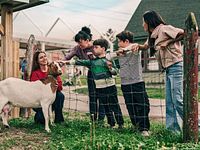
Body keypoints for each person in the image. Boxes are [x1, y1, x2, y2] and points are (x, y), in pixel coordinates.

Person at [132, 10, 184, 132]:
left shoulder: (165, 29)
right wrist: (137, 46)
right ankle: (173, 131)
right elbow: (146, 46)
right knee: (170, 103)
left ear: (149, 21)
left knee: (178, 100)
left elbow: (186, 33)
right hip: (168, 69)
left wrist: (168, 42)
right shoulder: (153, 35)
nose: (142, 25)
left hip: (176, 66)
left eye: (143, 22)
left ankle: (195, 125)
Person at [64, 39, 124, 128]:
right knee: (106, 107)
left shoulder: (108, 59)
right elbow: (78, 61)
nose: (94, 49)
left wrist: (110, 68)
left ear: (103, 48)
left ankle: (120, 124)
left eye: (96, 47)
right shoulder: (92, 62)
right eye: (93, 47)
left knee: (114, 105)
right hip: (99, 88)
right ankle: (111, 124)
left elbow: (115, 72)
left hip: (111, 87)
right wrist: (65, 62)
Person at [106, 31, 150, 136]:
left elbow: (136, 46)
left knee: (143, 105)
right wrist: (118, 53)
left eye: (119, 41)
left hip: (137, 82)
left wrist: (127, 49)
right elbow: (107, 57)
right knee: (131, 106)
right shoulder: (119, 53)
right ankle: (137, 126)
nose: (118, 44)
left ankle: (144, 128)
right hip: (125, 84)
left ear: (126, 41)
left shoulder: (135, 49)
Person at [63, 26, 106, 122]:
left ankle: (101, 119)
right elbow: (67, 57)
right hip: (91, 73)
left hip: (101, 72)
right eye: (78, 42)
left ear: (87, 40)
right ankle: (93, 119)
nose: (79, 44)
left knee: (102, 96)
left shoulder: (95, 46)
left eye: (80, 42)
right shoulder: (77, 48)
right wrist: (61, 61)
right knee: (93, 96)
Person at [30, 51, 64, 124]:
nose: (44, 58)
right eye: (41, 57)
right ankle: (40, 115)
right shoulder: (35, 73)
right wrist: (51, 83)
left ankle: (59, 120)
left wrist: (50, 85)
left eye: (44, 56)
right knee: (40, 120)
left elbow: (60, 86)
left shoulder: (52, 69)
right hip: (39, 100)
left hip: (51, 97)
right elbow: (35, 89)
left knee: (60, 95)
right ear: (37, 61)